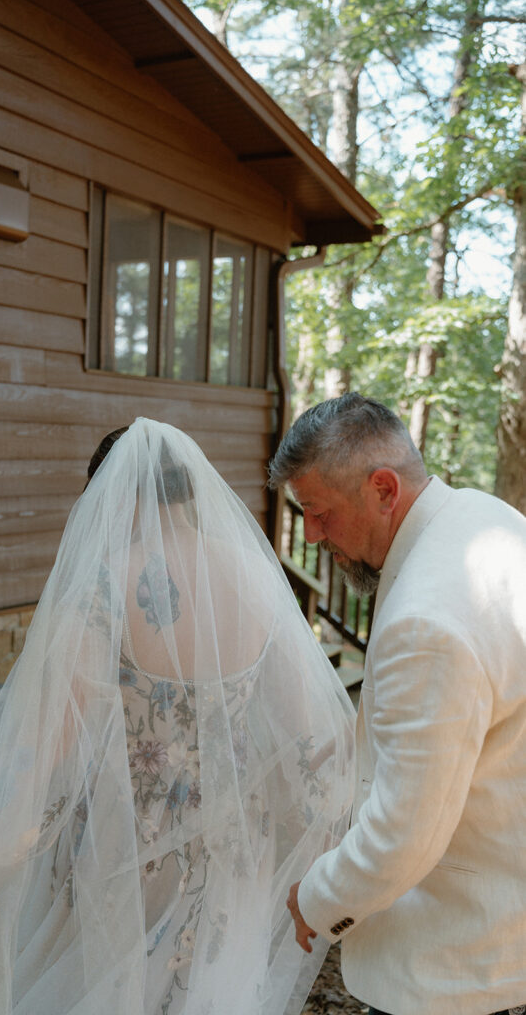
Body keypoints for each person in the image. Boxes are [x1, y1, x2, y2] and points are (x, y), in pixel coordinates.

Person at [0, 417, 355, 1015]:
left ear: (110, 496)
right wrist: (323, 857)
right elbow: (309, 730)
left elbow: (41, 739)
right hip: (235, 844)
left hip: (127, 840)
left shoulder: (106, 584)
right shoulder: (257, 576)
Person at [269, 393, 526, 1015]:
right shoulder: (489, 521)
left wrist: (316, 900)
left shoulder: (427, 619)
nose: (311, 534)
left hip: (456, 966)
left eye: (318, 511)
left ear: (383, 488)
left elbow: (404, 833)